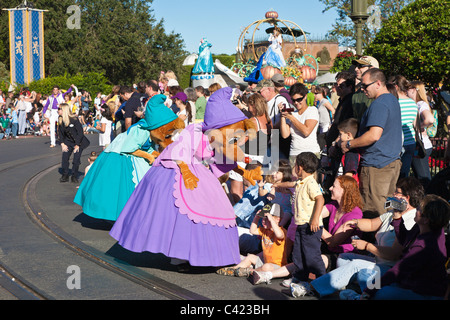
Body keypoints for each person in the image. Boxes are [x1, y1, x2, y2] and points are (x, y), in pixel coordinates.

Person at [109, 87, 263, 269]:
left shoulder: (215, 136)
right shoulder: (195, 132)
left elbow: (221, 155)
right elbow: (187, 152)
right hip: (177, 169)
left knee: (211, 209)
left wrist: (243, 169)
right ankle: (182, 254)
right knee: (181, 213)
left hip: (194, 169)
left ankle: (206, 252)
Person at [287, 176, 424, 298]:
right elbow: (371, 224)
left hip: (391, 267)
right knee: (344, 259)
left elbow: (394, 254)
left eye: (397, 192)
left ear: (407, 198)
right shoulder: (393, 213)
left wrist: (367, 246)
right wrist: (355, 222)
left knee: (356, 266)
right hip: (378, 261)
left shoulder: (411, 221)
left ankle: (311, 288)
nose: (393, 194)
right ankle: (356, 288)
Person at [74, 94, 182, 222]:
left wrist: (156, 154)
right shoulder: (141, 130)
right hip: (120, 156)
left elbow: (147, 147)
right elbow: (129, 148)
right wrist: (149, 156)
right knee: (120, 189)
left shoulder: (151, 131)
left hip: (133, 153)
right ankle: (125, 216)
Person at [251, 175, 363, 285]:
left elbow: (333, 242)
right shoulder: (334, 205)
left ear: (344, 191)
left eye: (333, 186)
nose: (330, 189)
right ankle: (269, 274)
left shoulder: (355, 213)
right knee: (305, 255)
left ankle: (277, 275)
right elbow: (313, 213)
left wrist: (314, 221)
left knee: (316, 258)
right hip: (327, 247)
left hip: (342, 255)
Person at [362, 194, 450, 300]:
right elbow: (404, 240)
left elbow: (397, 271)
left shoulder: (423, 246)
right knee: (365, 275)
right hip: (411, 283)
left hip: (425, 294)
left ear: (426, 219)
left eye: (419, 209)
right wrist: (398, 216)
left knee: (381, 292)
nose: (416, 209)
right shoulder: (432, 229)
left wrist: (368, 292)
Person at [341, 68, 402, 216]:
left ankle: (375, 240)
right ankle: (386, 238)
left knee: (374, 210)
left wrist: (349, 144)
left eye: (365, 85)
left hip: (377, 166)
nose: (362, 89)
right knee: (388, 209)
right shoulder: (392, 100)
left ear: (378, 83)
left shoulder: (379, 104)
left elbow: (373, 135)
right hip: (390, 162)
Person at [216, 203, 289, 277]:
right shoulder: (265, 230)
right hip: (265, 261)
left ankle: (249, 271)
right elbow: (252, 231)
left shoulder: (282, 231)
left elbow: (280, 235)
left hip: (277, 266)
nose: (263, 221)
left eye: (266, 218)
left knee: (266, 267)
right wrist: (256, 218)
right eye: (263, 218)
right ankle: (234, 269)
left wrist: (271, 220)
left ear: (278, 219)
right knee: (251, 257)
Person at [279, 83, 320, 167]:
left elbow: (306, 131)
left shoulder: (312, 110)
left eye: (299, 99)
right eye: (293, 100)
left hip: (310, 153)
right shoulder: (292, 113)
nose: (296, 103)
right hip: (294, 153)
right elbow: (285, 135)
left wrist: (291, 117)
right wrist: (282, 115)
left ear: (305, 96)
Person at [408, 81, 436, 188]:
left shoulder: (420, 104)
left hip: (420, 146)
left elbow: (430, 119)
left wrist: (417, 126)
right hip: (421, 145)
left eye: (408, 88)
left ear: (414, 90)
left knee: (423, 179)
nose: (406, 91)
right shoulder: (419, 104)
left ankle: (428, 201)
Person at [391, 75, 417, 179]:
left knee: (394, 175)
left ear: (396, 87)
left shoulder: (394, 102)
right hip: (410, 141)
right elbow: (415, 124)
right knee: (404, 174)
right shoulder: (412, 103)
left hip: (396, 142)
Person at [258, 79, 291, 160]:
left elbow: (287, 118)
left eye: (260, 91)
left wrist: (271, 127)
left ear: (269, 89)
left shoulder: (280, 100)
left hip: (278, 142)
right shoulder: (267, 101)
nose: (259, 94)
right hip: (271, 141)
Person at [58, 103, 90, 183]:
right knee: (65, 157)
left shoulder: (74, 120)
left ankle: (74, 175)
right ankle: (65, 174)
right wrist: (62, 144)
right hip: (68, 141)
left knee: (76, 159)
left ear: (64, 110)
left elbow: (80, 133)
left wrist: (77, 145)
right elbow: (60, 133)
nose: (58, 111)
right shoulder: (60, 120)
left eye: (59, 109)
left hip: (79, 141)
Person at [352, 56, 378, 122]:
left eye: (361, 66)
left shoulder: (383, 91)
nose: (356, 69)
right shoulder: (356, 94)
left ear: (372, 68)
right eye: (356, 66)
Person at [314, 85, 335, 150]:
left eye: (316, 93)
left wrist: (332, 122)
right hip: (321, 125)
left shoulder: (324, 101)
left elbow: (333, 110)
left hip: (326, 125)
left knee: (323, 143)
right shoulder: (319, 102)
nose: (315, 95)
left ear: (321, 93)